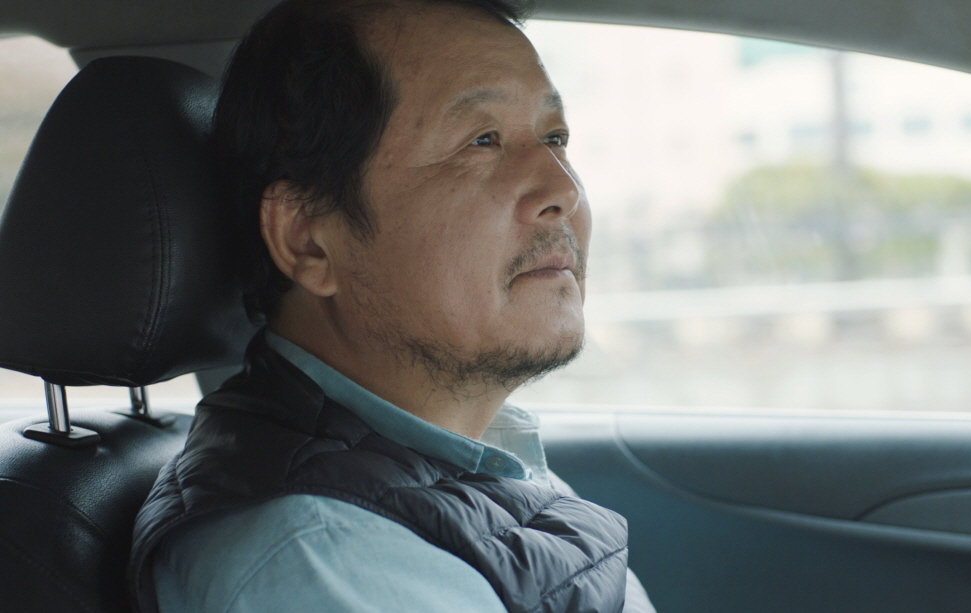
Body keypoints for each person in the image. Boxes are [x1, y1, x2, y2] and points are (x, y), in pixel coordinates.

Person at [129, 0, 656, 611]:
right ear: (308, 239)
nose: (564, 187)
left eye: (555, 137)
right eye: (483, 141)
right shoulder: (322, 562)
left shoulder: (464, 458)